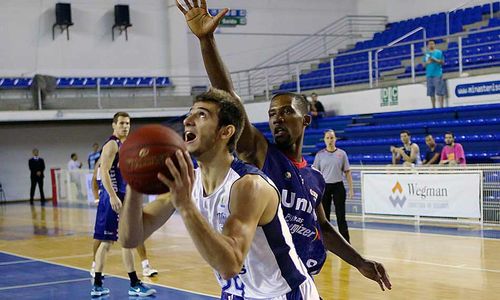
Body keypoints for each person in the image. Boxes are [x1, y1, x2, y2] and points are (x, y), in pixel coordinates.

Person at [178, 0, 391, 293]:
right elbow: (228, 97)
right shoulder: (261, 153)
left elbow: (323, 229)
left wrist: (359, 261)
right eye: (271, 114)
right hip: (251, 283)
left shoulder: (314, 177)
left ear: (306, 120)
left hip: (291, 281)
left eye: (286, 112)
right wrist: (206, 40)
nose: (276, 118)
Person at [120, 89, 320, 299]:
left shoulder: (249, 185)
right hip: (236, 294)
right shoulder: (190, 181)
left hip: (283, 294)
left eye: (202, 115)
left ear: (226, 132)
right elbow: (131, 238)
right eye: (190, 113)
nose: (188, 120)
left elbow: (230, 264)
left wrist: (186, 206)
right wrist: (135, 184)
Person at [91, 112, 156, 297]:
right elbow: (103, 172)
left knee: (111, 241)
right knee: (115, 241)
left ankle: (98, 285)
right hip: (113, 197)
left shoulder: (124, 145)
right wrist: (112, 196)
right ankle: (133, 283)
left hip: (121, 196)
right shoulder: (112, 145)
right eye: (121, 123)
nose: (125, 126)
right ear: (114, 125)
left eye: (127, 123)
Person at [90, 158, 158, 278]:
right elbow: (94, 180)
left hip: (124, 199)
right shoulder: (103, 159)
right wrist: (97, 198)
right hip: (108, 201)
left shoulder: (126, 157)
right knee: (102, 237)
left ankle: (145, 266)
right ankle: (95, 266)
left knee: (136, 232)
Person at [313, 130, 353, 243]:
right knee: (325, 217)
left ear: (335, 139)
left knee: (341, 215)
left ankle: (346, 243)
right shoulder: (320, 155)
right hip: (324, 187)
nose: (330, 140)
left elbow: (347, 172)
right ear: (324, 140)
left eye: (332, 138)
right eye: (327, 138)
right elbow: (315, 173)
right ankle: (325, 243)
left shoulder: (342, 154)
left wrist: (351, 189)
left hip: (338, 187)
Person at [424, 40, 445, 108]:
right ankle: (433, 107)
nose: (431, 45)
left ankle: (441, 106)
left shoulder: (439, 52)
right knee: (431, 92)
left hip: (437, 74)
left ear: (435, 45)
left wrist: (435, 60)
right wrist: (427, 62)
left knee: (440, 91)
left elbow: (442, 62)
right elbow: (424, 64)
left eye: (432, 44)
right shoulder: (427, 54)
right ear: (428, 45)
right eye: (429, 44)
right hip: (429, 74)